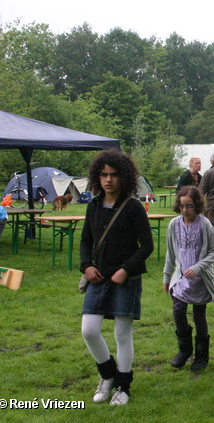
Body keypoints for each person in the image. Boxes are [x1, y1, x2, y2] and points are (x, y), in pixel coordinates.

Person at [80, 150, 154, 406]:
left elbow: (146, 245)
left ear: (124, 177)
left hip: (127, 278)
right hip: (97, 278)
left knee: (122, 335)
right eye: (103, 175)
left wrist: (125, 269)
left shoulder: (133, 206)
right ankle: (108, 375)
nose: (108, 180)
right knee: (89, 330)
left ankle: (123, 386)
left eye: (113, 175)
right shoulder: (93, 205)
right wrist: (85, 266)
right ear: (97, 177)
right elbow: (85, 241)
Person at [163, 186, 214, 372]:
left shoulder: (205, 225)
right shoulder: (174, 225)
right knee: (178, 311)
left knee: (199, 316)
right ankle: (184, 349)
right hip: (180, 279)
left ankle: (201, 356)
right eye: (182, 206)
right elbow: (171, 253)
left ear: (197, 206)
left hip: (200, 279)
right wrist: (166, 276)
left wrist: (197, 268)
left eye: (189, 206)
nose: (185, 210)